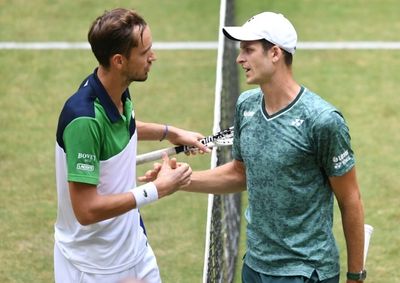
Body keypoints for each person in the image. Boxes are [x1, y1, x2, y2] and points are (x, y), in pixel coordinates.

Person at [140, 12, 366, 283]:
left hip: (305, 271)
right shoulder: (246, 105)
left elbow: (350, 199)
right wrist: (179, 181)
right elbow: (241, 173)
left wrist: (356, 275)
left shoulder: (322, 121)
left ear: (275, 53)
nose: (239, 58)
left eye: (248, 50)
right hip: (255, 266)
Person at [54, 8, 209, 283]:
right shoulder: (84, 120)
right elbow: (86, 211)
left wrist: (171, 132)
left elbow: (125, 125)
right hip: (95, 266)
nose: (153, 57)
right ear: (119, 61)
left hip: (133, 246)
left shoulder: (115, 90)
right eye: (144, 52)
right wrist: (157, 189)